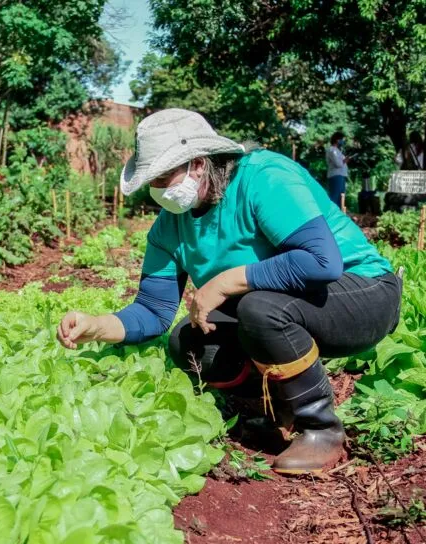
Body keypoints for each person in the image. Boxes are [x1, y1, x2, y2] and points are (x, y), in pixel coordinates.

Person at [56, 109, 401, 475]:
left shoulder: (263, 178)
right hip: (287, 308)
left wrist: (225, 282)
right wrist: (95, 326)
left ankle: (321, 429)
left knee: (259, 308)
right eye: (152, 182)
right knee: (187, 343)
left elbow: (322, 262)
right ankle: (278, 408)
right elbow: (152, 311)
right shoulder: (169, 226)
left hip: (362, 294)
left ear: (199, 165)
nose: (158, 191)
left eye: (163, 177)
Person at [325, 131, 350, 206]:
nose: (342, 141)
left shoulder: (338, 151)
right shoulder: (332, 150)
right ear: (337, 140)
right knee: (335, 197)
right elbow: (338, 163)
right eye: (341, 139)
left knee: (340, 197)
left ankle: (338, 213)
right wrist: (345, 160)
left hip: (341, 176)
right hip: (336, 176)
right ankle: (331, 214)